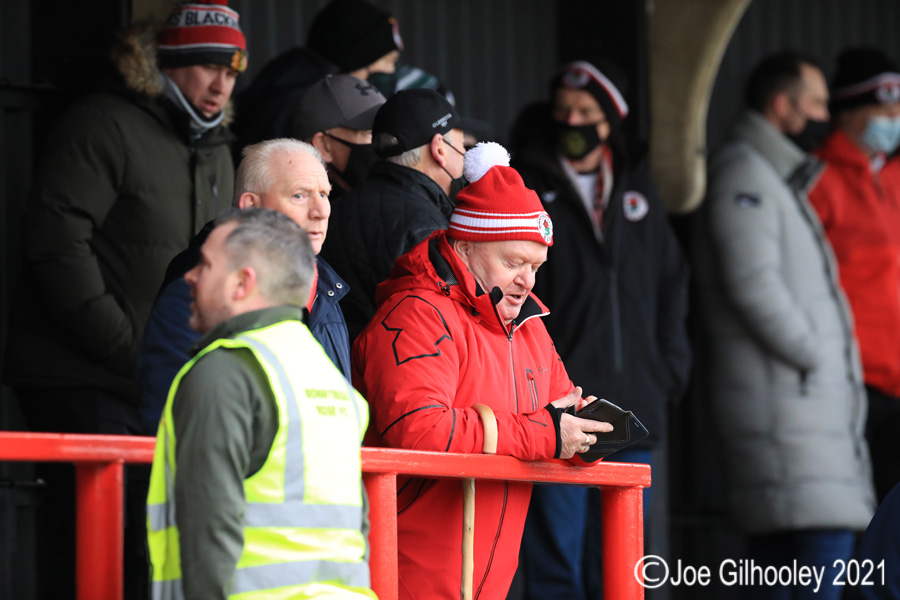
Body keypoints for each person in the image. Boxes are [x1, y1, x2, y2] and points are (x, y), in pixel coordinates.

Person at [3, 2, 246, 597]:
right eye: (206, 66)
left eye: (233, 70)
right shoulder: (103, 124)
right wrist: (124, 344)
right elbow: (56, 243)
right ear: (167, 62)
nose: (220, 84)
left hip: (149, 376)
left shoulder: (215, 143)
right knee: (98, 541)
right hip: (81, 372)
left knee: (146, 541)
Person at [353, 142, 614, 600]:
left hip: (487, 585)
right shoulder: (416, 313)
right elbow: (417, 429)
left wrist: (583, 431)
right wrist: (550, 434)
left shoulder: (529, 326)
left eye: (535, 266)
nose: (527, 280)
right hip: (398, 581)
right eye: (513, 263)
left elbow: (557, 417)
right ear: (466, 245)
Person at [692, 51, 875, 600]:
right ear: (782, 106)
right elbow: (753, 285)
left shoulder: (770, 174)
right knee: (820, 562)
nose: (826, 114)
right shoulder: (744, 173)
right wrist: (819, 356)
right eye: (817, 102)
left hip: (798, 411)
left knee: (787, 572)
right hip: (790, 411)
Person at [510, 58, 692, 599]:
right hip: (559, 406)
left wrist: (668, 369)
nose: (573, 121)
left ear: (610, 121)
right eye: (564, 110)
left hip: (637, 402)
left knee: (624, 568)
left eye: (587, 112)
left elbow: (671, 281)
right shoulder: (530, 184)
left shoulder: (638, 186)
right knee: (556, 563)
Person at [146, 208, 375, 600]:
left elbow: (210, 533)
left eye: (205, 264)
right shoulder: (333, 383)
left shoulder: (224, 373)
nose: (190, 275)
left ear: (241, 283)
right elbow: (358, 530)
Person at [137, 138, 350, 435]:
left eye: (325, 194)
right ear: (251, 207)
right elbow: (182, 432)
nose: (321, 211)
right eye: (300, 195)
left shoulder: (328, 293)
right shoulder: (198, 292)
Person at [807, 47, 900, 504]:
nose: (893, 119)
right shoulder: (817, 179)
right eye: (882, 110)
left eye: (897, 109)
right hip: (852, 383)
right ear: (847, 113)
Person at [320, 88, 468, 342]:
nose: (466, 155)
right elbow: (440, 335)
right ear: (440, 150)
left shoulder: (336, 210)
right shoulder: (426, 229)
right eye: (462, 145)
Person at [232, 0, 402, 151]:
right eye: (388, 60)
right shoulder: (300, 105)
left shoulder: (289, 81)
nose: (391, 71)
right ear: (357, 59)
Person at [292, 73, 387, 201]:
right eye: (370, 133)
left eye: (387, 129)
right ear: (324, 146)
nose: (387, 139)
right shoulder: (314, 216)